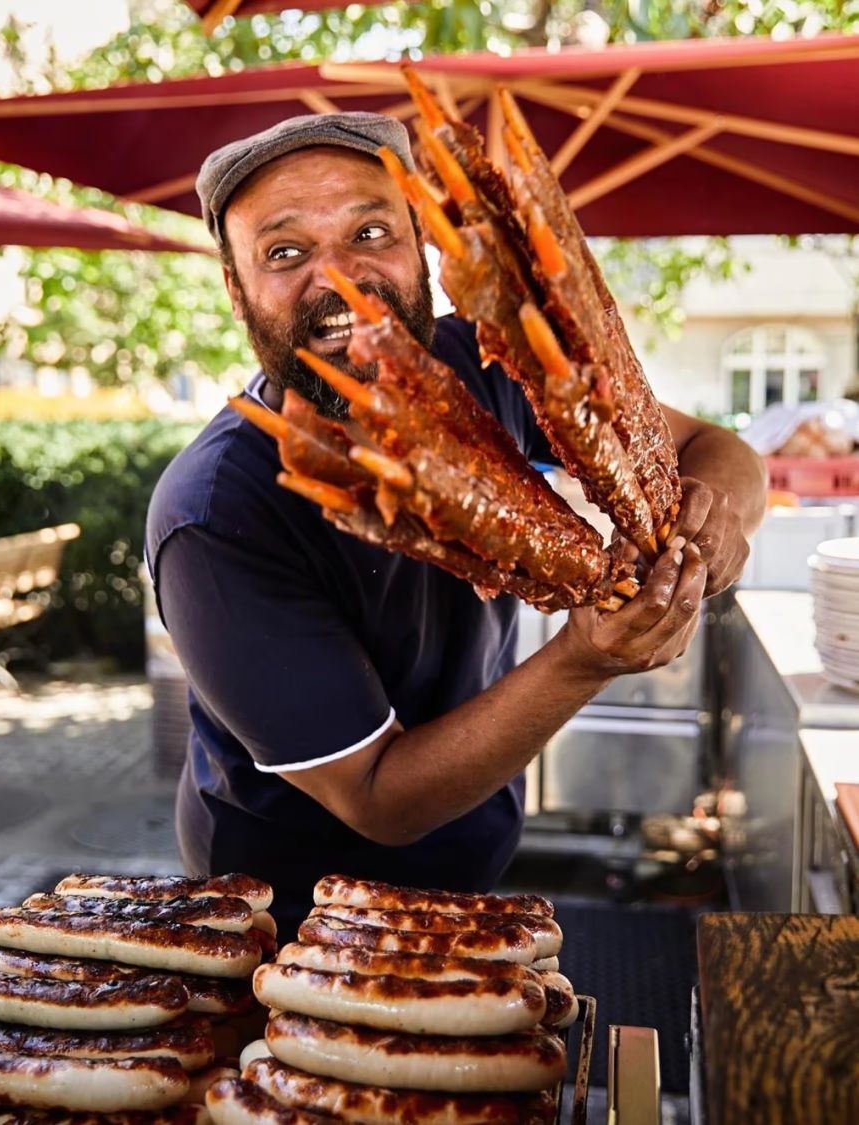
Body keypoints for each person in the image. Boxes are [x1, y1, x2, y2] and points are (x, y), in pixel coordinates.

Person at [146, 113, 766, 940]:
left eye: (371, 231)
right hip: (289, 924)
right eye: (286, 252)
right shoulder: (217, 513)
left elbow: (717, 449)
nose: (342, 280)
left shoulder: (484, 362)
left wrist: (713, 519)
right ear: (236, 288)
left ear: (422, 247)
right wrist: (584, 660)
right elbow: (379, 795)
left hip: (474, 879)